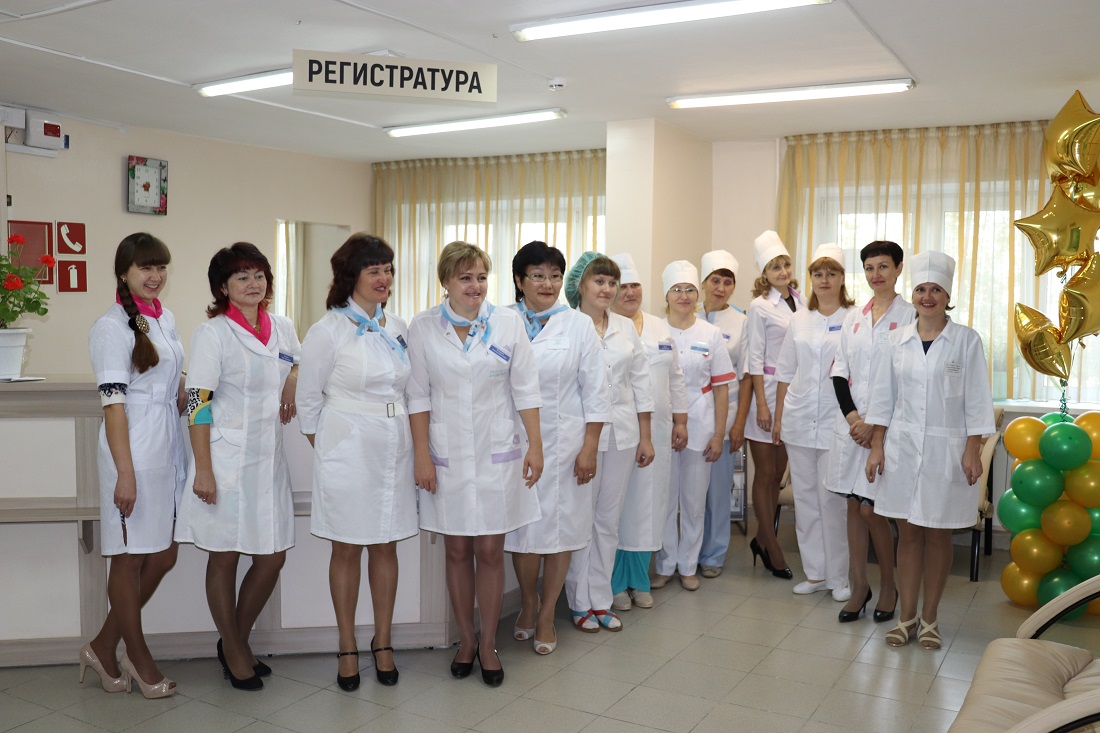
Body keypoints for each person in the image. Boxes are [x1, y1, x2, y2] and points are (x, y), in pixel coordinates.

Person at [407, 241, 543, 687]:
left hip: (497, 452)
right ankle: (465, 640)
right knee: (457, 550)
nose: (475, 286)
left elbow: (526, 389)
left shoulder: (507, 323)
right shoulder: (424, 327)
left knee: (489, 551)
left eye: (481, 277)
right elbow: (418, 396)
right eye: (465, 278)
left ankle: (488, 644)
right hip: (446, 457)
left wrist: (536, 446)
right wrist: (422, 455)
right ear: (445, 282)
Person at [176, 242, 300, 691]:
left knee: (272, 556)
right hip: (225, 460)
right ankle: (233, 648)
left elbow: (296, 362)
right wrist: (203, 469)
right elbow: (198, 402)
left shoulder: (282, 326)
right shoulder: (213, 333)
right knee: (224, 554)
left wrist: (292, 379)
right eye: (242, 277)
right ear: (223, 288)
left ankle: (235, 640)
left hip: (268, 461)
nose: (253, 284)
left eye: (259, 275)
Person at [296, 234, 418, 689]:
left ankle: (382, 642)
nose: (384, 278)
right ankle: (347, 645)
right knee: (346, 547)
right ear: (352, 276)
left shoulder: (398, 326)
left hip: (393, 445)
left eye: (388, 269)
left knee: (386, 545)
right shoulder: (327, 330)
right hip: (346, 448)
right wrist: (332, 449)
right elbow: (309, 401)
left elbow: (409, 389)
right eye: (374, 270)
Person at [866, 250, 995, 650]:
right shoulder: (896, 340)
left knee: (938, 534)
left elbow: (977, 400)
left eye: (935, 290)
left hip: (947, 450)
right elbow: (882, 399)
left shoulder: (966, 341)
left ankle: (930, 620)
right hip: (902, 448)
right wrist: (876, 447)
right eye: (921, 289)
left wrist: (973, 450)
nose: (927, 297)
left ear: (947, 296)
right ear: (913, 294)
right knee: (908, 534)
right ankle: (906, 618)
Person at [84, 233, 184, 699]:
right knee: (129, 557)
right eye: (146, 267)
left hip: (166, 445)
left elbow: (169, 381)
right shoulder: (111, 327)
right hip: (133, 450)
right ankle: (138, 659)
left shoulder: (163, 318)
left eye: (160, 266)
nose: (155, 275)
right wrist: (125, 472)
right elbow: (113, 405)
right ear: (124, 273)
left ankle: (104, 646)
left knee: (163, 554)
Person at [505, 241, 609, 656]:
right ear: (520, 281)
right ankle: (528, 602)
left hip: (567, 445)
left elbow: (597, 391)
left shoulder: (578, 325)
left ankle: (548, 612)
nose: (547, 283)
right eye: (537, 275)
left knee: (562, 529)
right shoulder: (502, 321)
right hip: (515, 444)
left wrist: (590, 447)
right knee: (524, 531)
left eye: (554, 275)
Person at [563, 252, 654, 632]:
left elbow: (641, 382)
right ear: (581, 285)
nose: (607, 289)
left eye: (612, 282)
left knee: (608, 520)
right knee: (580, 520)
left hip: (622, 436)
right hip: (581, 438)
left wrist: (645, 437)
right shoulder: (566, 325)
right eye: (599, 281)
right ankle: (578, 601)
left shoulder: (624, 327)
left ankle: (600, 599)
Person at [826, 240, 911, 624]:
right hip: (852, 427)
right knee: (852, 507)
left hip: (888, 429)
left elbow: (905, 380)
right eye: (870, 268)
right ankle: (859, 586)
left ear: (898, 268)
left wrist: (874, 425)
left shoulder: (910, 316)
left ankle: (889, 586)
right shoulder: (854, 318)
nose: (876, 274)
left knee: (872, 510)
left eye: (884, 266)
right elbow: (839, 372)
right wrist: (854, 420)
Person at [773, 243, 853, 602]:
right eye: (818, 274)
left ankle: (839, 578)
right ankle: (816, 574)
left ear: (842, 278)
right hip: (799, 419)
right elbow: (785, 372)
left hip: (837, 421)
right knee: (805, 500)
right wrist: (778, 418)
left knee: (833, 502)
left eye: (831, 273)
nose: (824, 280)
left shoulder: (855, 319)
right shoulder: (799, 319)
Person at [609, 253, 687, 611]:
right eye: (622, 286)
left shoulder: (659, 326)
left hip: (657, 431)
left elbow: (676, 377)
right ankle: (613, 583)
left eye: (635, 285)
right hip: (621, 431)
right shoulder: (604, 327)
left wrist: (681, 421)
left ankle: (639, 580)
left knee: (649, 506)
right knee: (619, 508)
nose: (630, 292)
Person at [653, 261, 734, 591]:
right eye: (677, 290)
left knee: (694, 502)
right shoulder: (655, 330)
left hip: (701, 423)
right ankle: (664, 565)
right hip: (663, 422)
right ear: (666, 295)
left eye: (689, 289)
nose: (683, 296)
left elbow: (722, 388)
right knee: (664, 500)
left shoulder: (710, 334)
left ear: (697, 294)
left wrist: (719, 434)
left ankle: (688, 566)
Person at [744, 230, 805, 579]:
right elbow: (754, 359)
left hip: (792, 396)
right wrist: (762, 406)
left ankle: (761, 539)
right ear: (764, 273)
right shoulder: (760, 306)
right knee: (765, 474)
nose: (782, 271)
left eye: (785, 264)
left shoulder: (803, 300)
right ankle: (771, 544)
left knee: (777, 477)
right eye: (774, 267)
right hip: (766, 394)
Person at [697, 250, 751, 578]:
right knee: (689, 492)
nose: (720, 288)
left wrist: (739, 423)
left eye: (727, 282)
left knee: (718, 492)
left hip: (726, 415)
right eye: (715, 280)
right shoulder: (686, 313)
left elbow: (746, 378)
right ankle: (686, 552)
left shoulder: (741, 321)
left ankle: (713, 555)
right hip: (689, 416)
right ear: (703, 282)